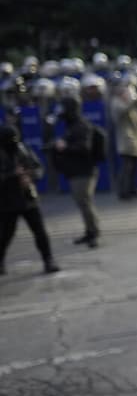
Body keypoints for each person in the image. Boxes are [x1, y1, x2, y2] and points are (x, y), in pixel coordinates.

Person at [0, 125, 58, 275]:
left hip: (27, 197)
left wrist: (30, 176)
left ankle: (48, 260)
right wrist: (13, 174)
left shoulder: (22, 150)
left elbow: (38, 168)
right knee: (6, 234)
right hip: (7, 201)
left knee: (39, 231)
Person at [52, 95, 103, 248]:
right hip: (77, 171)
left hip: (84, 172)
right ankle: (89, 232)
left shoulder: (81, 126)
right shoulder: (73, 125)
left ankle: (94, 233)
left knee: (85, 202)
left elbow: (84, 148)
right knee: (82, 203)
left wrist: (64, 146)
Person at [112, 82, 137, 200]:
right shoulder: (117, 104)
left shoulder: (127, 104)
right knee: (126, 168)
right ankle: (123, 192)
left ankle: (131, 189)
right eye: (126, 93)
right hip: (126, 142)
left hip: (134, 142)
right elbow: (125, 110)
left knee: (132, 169)